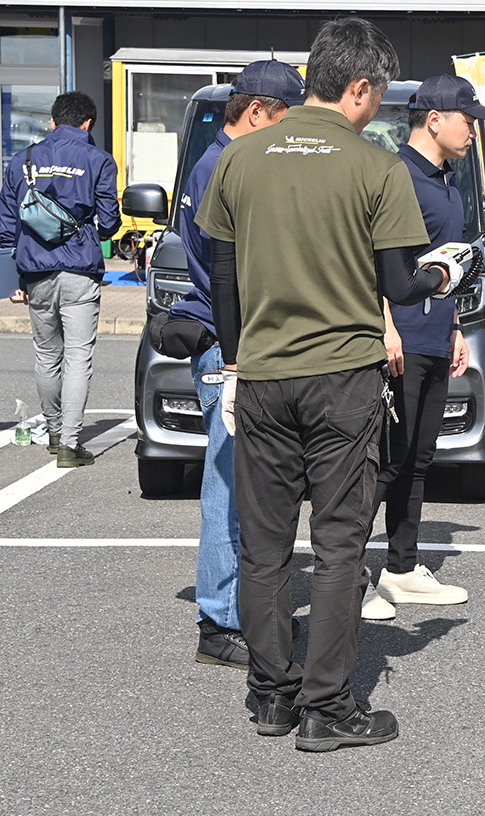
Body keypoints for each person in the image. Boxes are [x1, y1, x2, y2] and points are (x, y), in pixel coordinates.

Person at [197, 17, 460, 752]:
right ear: (361, 86)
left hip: (263, 374)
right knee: (341, 545)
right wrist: (447, 273)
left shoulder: (241, 159)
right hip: (342, 378)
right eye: (378, 93)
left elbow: (222, 270)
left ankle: (271, 696)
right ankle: (328, 707)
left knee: (265, 546)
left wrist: (234, 358)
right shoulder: (376, 167)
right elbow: (401, 285)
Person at [166, 60, 303, 668]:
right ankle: (220, 620)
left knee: (241, 484)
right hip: (231, 346)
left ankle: (236, 610)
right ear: (256, 113)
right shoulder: (227, 167)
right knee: (228, 486)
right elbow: (239, 269)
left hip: (230, 340)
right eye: (283, 120)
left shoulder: (214, 163)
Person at [361, 75, 485, 622]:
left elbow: (450, 261)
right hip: (402, 339)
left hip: (437, 335)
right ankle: (348, 575)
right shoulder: (397, 176)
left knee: (418, 460)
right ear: (433, 119)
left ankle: (402, 567)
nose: (473, 131)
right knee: (385, 463)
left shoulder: (448, 179)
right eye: (467, 120)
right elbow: (375, 260)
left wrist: (457, 325)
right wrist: (385, 326)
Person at [0, 91, 120, 468]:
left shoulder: (24, 160)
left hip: (35, 270)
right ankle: (70, 444)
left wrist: (13, 278)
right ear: (88, 124)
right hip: (80, 270)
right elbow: (110, 223)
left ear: (52, 122)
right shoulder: (98, 160)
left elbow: (7, 224)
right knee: (78, 356)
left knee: (47, 355)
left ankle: (52, 433)